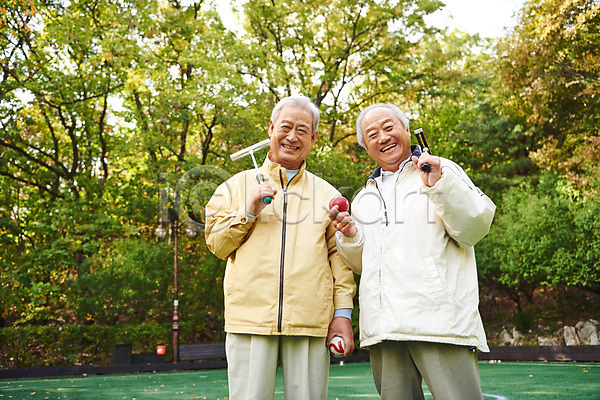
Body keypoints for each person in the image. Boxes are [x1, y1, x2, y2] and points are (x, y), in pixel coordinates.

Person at [329, 103, 496, 400]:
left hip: (439, 323)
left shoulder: (441, 170)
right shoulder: (364, 197)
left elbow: (474, 229)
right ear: (365, 145)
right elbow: (361, 265)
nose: (383, 137)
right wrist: (351, 236)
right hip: (384, 330)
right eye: (372, 133)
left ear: (407, 130)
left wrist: (440, 186)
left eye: (389, 127)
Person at [205, 95, 356, 400]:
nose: (292, 136)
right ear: (271, 128)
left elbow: (339, 261)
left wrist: (342, 314)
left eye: (302, 130)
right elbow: (218, 246)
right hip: (249, 319)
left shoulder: (327, 194)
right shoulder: (234, 187)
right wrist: (248, 211)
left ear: (313, 139)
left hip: (310, 321)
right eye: (285, 126)